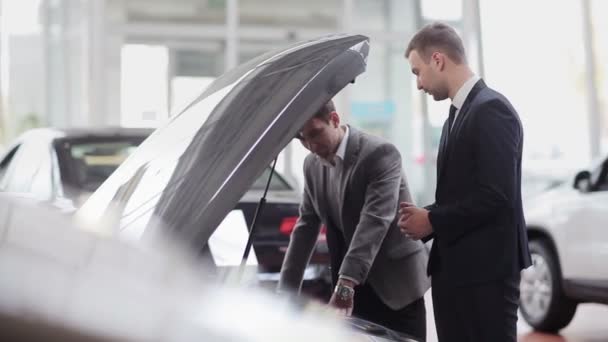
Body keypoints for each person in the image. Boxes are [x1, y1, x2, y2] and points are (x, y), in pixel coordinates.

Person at [399, 22, 532, 342]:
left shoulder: (492, 109)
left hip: (486, 276)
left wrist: (432, 220)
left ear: (438, 60)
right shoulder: (455, 116)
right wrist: (425, 214)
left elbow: (497, 196)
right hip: (458, 274)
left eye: (418, 72)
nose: (418, 84)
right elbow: (465, 193)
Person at [278, 100, 430, 341]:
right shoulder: (311, 165)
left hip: (394, 285)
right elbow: (306, 227)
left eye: (316, 134)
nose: (311, 146)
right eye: (302, 139)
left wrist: (345, 283)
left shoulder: (379, 153)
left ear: (335, 120)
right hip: (350, 283)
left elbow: (375, 219)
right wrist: (285, 294)